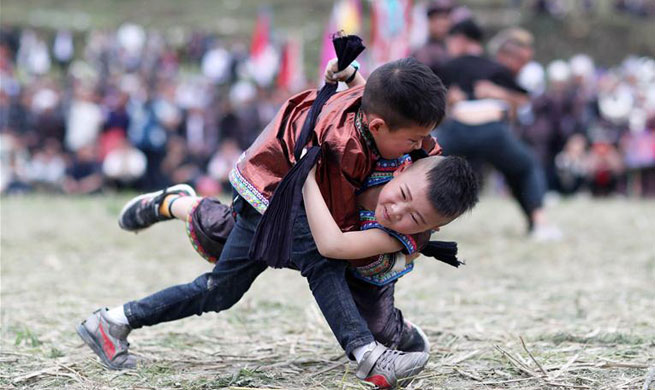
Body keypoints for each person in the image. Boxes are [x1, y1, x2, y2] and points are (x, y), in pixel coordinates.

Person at [76, 57, 448, 389]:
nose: (419, 146)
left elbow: (368, 94)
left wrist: (352, 75)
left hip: (293, 187)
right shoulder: (341, 148)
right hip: (277, 194)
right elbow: (332, 241)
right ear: (379, 125)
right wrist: (389, 246)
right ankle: (368, 356)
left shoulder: (372, 110)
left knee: (219, 286)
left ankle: (114, 315)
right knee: (322, 262)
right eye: (413, 139)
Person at [434, 19, 561, 240]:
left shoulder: (448, 67)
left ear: (459, 41)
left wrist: (450, 99)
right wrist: (499, 94)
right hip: (493, 131)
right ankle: (540, 222)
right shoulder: (496, 68)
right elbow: (524, 100)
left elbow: (430, 101)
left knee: (423, 167)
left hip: (457, 129)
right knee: (526, 167)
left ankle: (409, 225)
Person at [303, 155, 479, 285]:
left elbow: (332, 246)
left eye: (414, 217)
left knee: (382, 329)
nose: (396, 211)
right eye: (403, 194)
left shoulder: (393, 238)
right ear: (402, 169)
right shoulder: (382, 158)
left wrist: (306, 178)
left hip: (368, 276)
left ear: (433, 228)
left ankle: (406, 332)